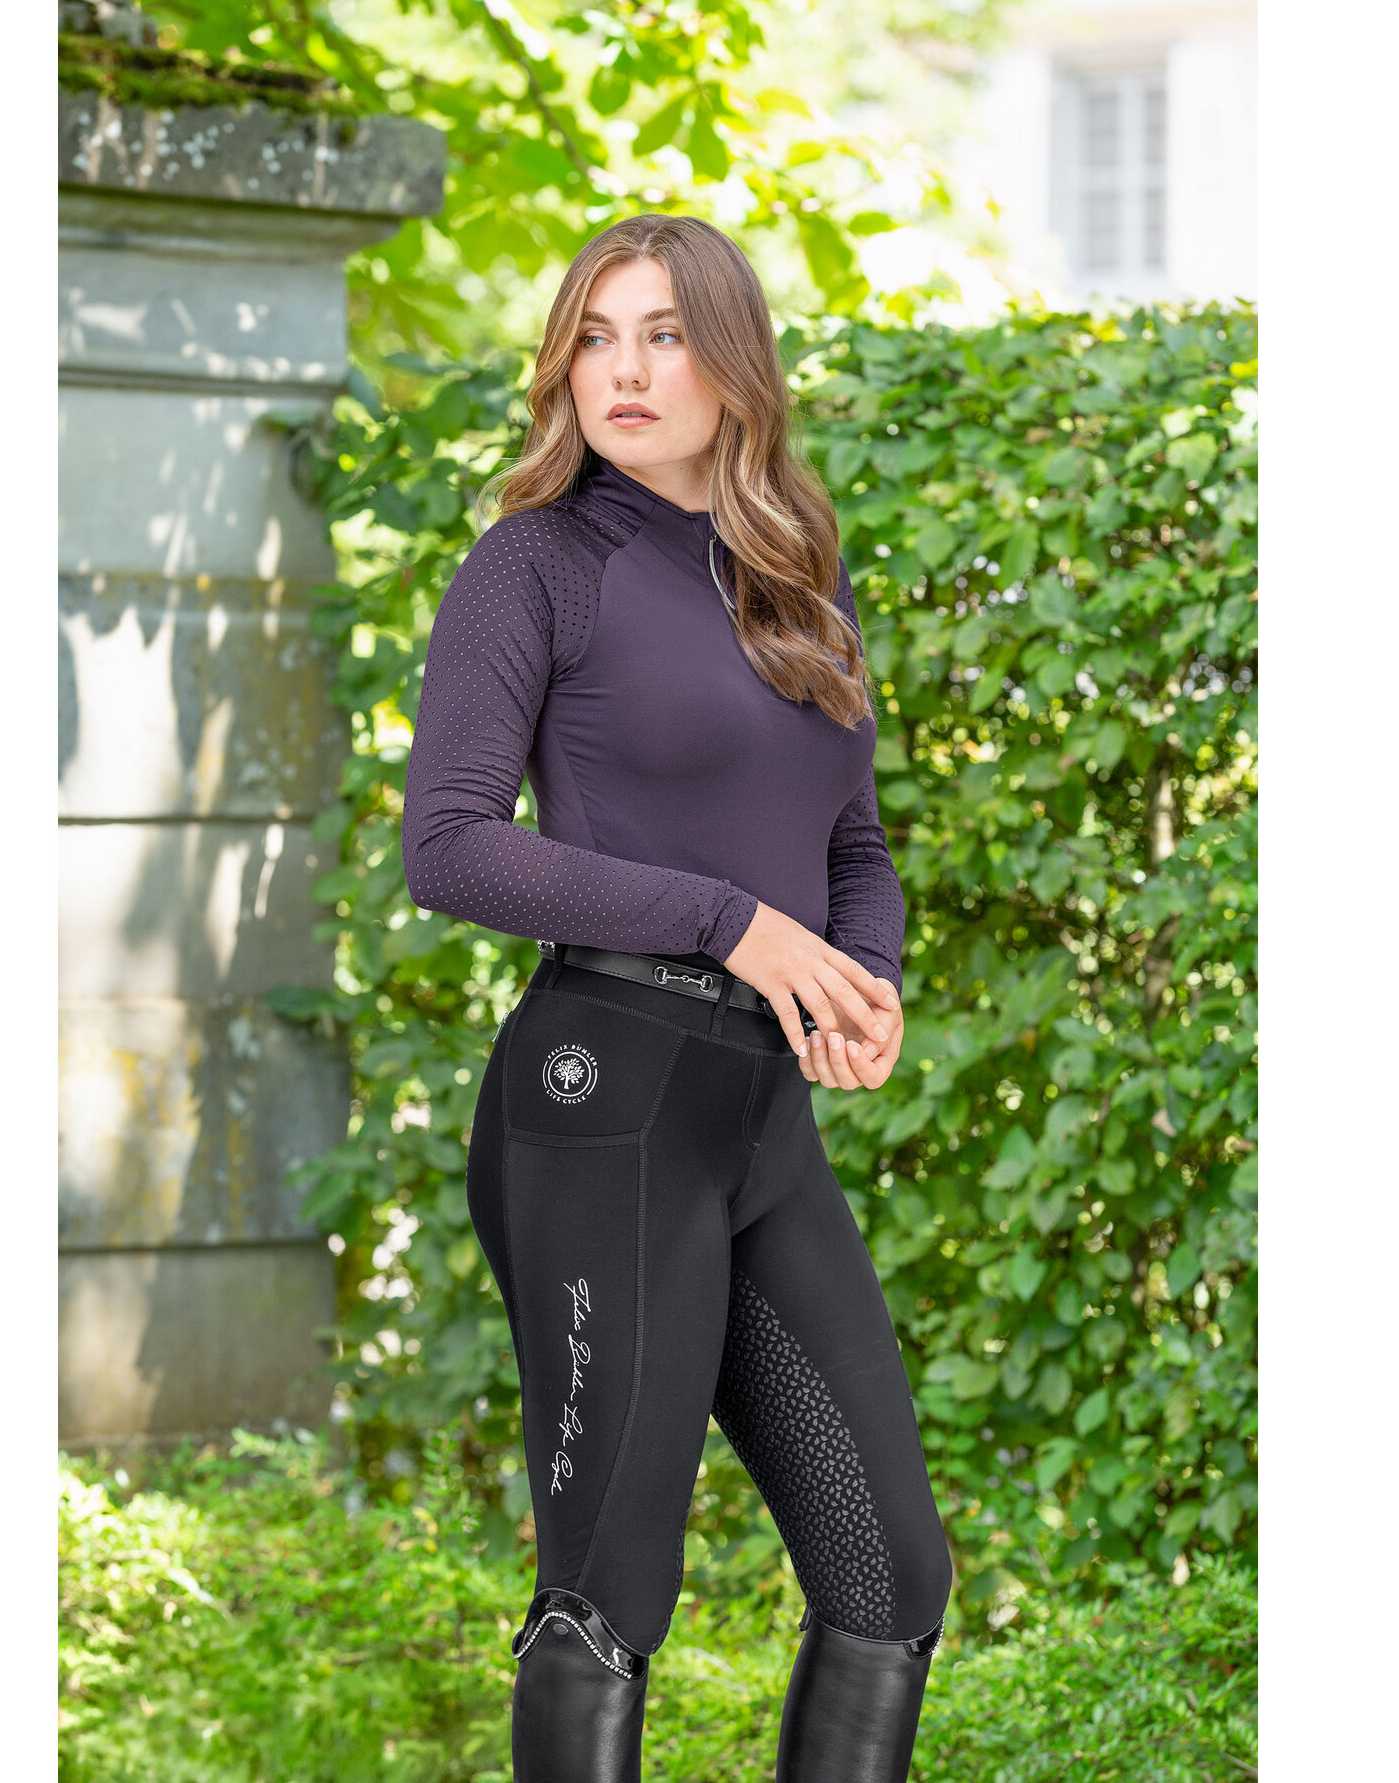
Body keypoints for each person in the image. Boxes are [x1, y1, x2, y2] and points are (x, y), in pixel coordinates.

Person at [400, 213, 953, 1783]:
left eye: (662, 335)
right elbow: (448, 848)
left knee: (890, 1578)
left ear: (733, 364)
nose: (623, 370)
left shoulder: (796, 573)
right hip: (603, 1104)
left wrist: (862, 977)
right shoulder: (534, 565)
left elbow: (849, 843)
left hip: (754, 1117)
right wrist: (730, 925)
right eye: (593, 336)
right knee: (607, 1590)